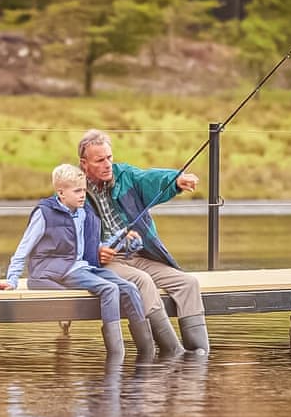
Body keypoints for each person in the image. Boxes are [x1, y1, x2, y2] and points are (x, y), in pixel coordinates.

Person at [0, 163, 154, 359]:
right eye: (77, 191)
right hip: (56, 269)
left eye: (84, 190)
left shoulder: (83, 212)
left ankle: (147, 351)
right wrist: (12, 279)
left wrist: (122, 239)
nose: (83, 195)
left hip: (81, 267)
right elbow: (23, 248)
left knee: (129, 288)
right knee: (109, 289)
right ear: (61, 193)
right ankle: (116, 354)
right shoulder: (44, 214)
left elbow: (93, 246)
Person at [78, 129, 210, 355]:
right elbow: (68, 235)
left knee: (188, 283)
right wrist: (96, 251)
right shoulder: (75, 190)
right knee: (143, 281)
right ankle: (173, 351)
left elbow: (149, 179)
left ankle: (200, 354)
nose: (107, 164)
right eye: (99, 160)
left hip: (140, 255)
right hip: (105, 263)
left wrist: (176, 180)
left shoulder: (125, 176)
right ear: (84, 164)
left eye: (109, 157)